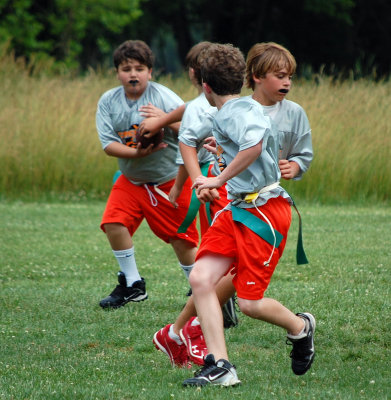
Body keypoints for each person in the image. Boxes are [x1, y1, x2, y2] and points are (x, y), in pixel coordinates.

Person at [152, 41, 314, 374]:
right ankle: (220, 365)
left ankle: (300, 328)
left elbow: (253, 146)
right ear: (243, 80)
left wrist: (215, 179)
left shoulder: (243, 111)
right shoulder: (229, 112)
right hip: (237, 209)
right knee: (201, 278)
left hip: (265, 213)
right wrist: (203, 171)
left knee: (250, 303)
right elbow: (188, 140)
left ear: (205, 86)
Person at [96, 40, 199, 309]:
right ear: (117, 73)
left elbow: (194, 130)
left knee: (182, 239)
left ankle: (201, 289)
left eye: (139, 68)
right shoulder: (108, 101)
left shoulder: (164, 97)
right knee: (113, 223)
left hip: (169, 178)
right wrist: (137, 155)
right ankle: (132, 284)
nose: (133, 74)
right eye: (126, 68)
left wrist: (165, 119)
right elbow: (108, 144)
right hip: (131, 179)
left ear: (150, 72)